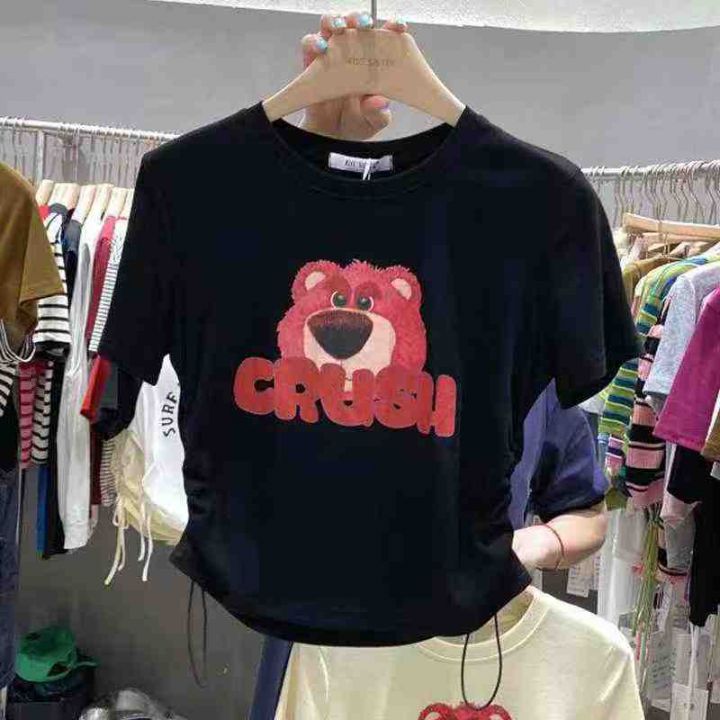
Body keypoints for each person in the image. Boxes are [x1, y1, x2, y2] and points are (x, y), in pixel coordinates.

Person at [248, 14, 610, 719]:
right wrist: (323, 140)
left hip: (465, 655)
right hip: (323, 644)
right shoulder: (322, 340)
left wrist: (525, 547)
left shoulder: (526, 357)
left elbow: (586, 513)